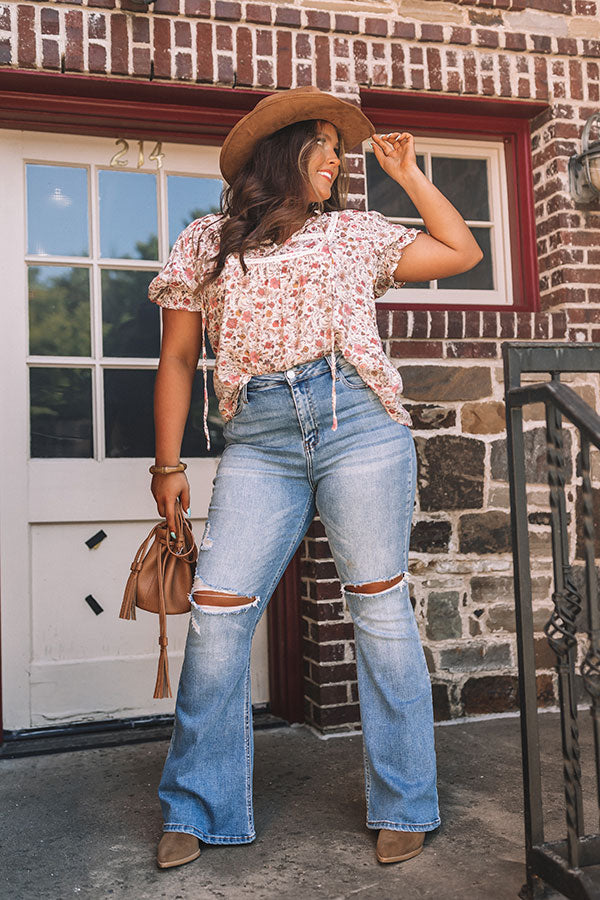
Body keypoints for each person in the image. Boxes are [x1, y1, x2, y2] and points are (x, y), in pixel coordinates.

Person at [148, 85, 482, 870]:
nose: (337, 158)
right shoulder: (206, 242)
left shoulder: (354, 233)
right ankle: (197, 805)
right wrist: (166, 464)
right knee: (217, 614)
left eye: (340, 146)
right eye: (323, 143)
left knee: (380, 610)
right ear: (282, 151)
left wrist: (408, 174)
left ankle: (405, 801)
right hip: (259, 439)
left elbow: (460, 251)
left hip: (357, 425)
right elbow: (178, 358)